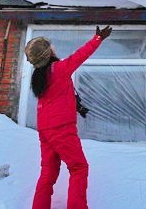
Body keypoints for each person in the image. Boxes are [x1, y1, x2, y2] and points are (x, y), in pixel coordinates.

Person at [26, 25, 113, 209]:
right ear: (49, 53)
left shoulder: (39, 77)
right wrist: (98, 39)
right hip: (61, 128)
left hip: (45, 129)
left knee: (48, 173)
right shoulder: (59, 68)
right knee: (79, 167)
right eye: (51, 47)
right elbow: (80, 55)